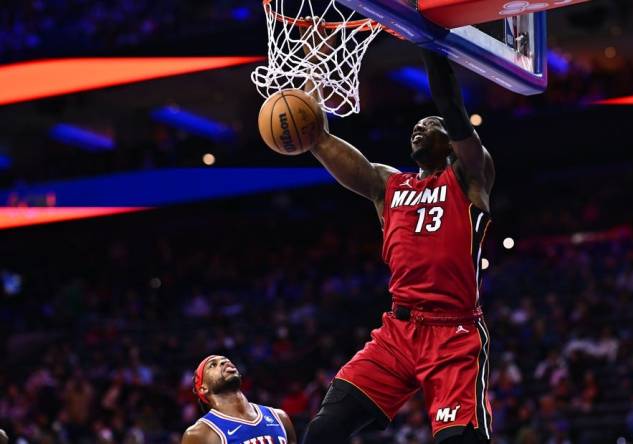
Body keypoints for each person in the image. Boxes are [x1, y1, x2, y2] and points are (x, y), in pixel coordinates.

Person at [301, 24, 496, 444]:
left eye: (430, 124)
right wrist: (308, 102)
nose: (418, 128)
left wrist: (428, 42)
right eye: (415, 125)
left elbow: (453, 107)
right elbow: (323, 141)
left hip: (453, 333)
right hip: (398, 331)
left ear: (451, 142)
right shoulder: (389, 186)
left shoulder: (469, 179)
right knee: (323, 431)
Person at [181, 355, 297, 444]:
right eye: (213, 365)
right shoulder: (200, 434)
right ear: (203, 388)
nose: (224, 362)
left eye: (225, 360)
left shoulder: (280, 417)